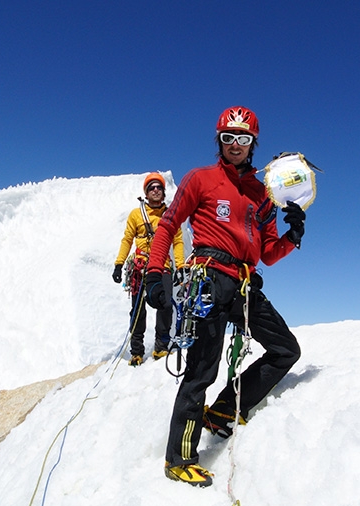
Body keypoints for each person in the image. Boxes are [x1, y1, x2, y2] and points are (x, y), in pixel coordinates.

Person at [144, 106, 306, 487]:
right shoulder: (200, 179)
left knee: (285, 350)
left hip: (246, 283)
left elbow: (267, 252)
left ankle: (222, 412)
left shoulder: (262, 196)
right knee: (202, 370)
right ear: (219, 140)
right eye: (228, 138)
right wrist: (154, 273)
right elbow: (168, 226)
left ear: (253, 144)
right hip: (209, 279)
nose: (236, 145)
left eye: (244, 139)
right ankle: (179, 458)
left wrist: (291, 238)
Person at [113, 172, 185, 366]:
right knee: (137, 310)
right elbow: (127, 239)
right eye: (151, 187)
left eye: (158, 187)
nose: (155, 190)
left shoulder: (171, 215)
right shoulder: (136, 215)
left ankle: (161, 347)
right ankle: (136, 351)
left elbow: (177, 241)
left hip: (163, 266)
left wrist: (180, 265)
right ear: (146, 192)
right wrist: (119, 264)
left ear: (163, 192)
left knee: (166, 305)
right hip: (139, 266)